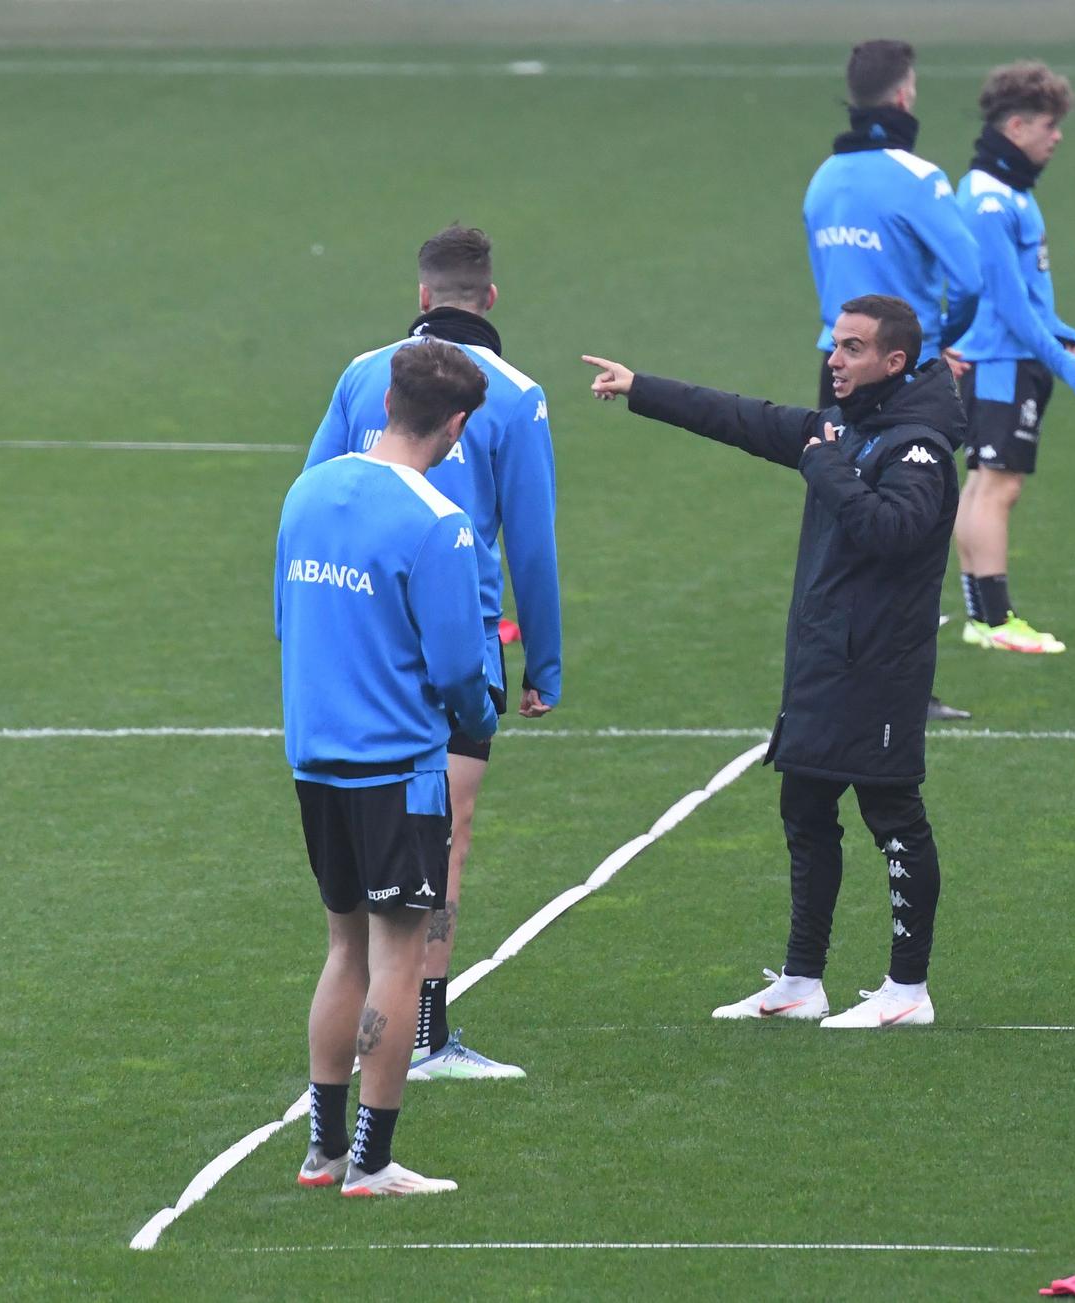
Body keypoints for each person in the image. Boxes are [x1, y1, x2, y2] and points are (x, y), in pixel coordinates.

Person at [582, 294, 963, 1028]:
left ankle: (907, 989)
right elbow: (743, 417)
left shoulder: (917, 448)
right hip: (824, 661)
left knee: (893, 815)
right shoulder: (845, 429)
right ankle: (800, 979)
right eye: (835, 346)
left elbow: (893, 530)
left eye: (852, 349)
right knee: (807, 807)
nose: (834, 360)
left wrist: (824, 467)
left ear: (894, 361)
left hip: (877, 668)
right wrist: (641, 387)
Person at [306, 224, 561, 1080]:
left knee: (355, 899)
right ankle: (423, 1035)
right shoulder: (516, 396)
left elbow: (315, 491)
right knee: (444, 840)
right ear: (490, 298)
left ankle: (352, 1091)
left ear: (422, 297)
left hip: (350, 648)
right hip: (455, 649)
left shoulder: (357, 373)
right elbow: (532, 542)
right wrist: (546, 664)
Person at [278, 340, 495, 1196]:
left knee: (342, 948)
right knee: (399, 956)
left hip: (315, 760)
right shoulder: (437, 521)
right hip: (398, 771)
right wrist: (478, 721)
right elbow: (457, 671)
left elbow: (283, 615)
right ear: (456, 423)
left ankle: (321, 1148)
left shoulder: (308, 487)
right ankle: (372, 1159)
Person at [803, 39, 981, 720]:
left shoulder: (823, 179)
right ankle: (907, 690)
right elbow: (968, 280)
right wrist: (939, 339)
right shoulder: (921, 179)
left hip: (835, 368)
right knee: (914, 532)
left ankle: (835, 679)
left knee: (841, 525)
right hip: (908, 377)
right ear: (905, 95)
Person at [952, 60, 1075, 655]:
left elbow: (1029, 296)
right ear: (1016, 126)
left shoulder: (1005, 190)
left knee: (985, 484)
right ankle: (991, 620)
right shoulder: (990, 202)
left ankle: (981, 615)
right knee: (995, 486)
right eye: (1048, 124)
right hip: (999, 360)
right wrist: (1069, 367)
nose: (1056, 136)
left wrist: (1063, 334)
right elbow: (1009, 308)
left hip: (1010, 356)